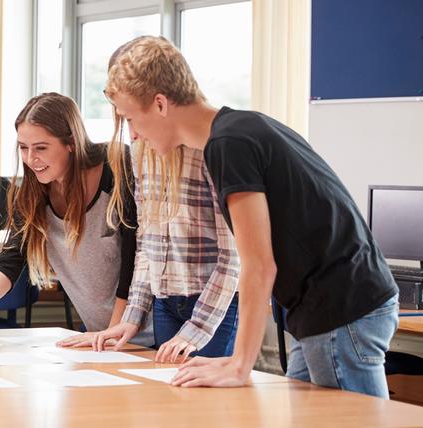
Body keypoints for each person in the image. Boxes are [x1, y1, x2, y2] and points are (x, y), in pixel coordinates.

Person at [105, 36, 398, 398]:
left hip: (342, 306)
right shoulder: (241, 128)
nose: (133, 134)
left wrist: (240, 364)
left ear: (161, 104)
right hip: (325, 306)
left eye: (132, 118)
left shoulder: (229, 146)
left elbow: (258, 264)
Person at [64, 40, 242, 364]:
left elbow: (234, 257)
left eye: (132, 118)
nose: (131, 134)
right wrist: (131, 317)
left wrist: (195, 330)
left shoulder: (212, 150)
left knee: (207, 407)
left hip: (213, 303)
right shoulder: (142, 153)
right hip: (164, 302)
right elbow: (148, 245)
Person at [0, 93, 153, 348]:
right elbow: (11, 259)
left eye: (41, 148)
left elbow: (135, 257)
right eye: (23, 147)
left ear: (71, 143)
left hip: (148, 331)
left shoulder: (116, 168)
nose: (31, 159)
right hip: (101, 335)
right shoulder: (33, 196)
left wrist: (112, 332)